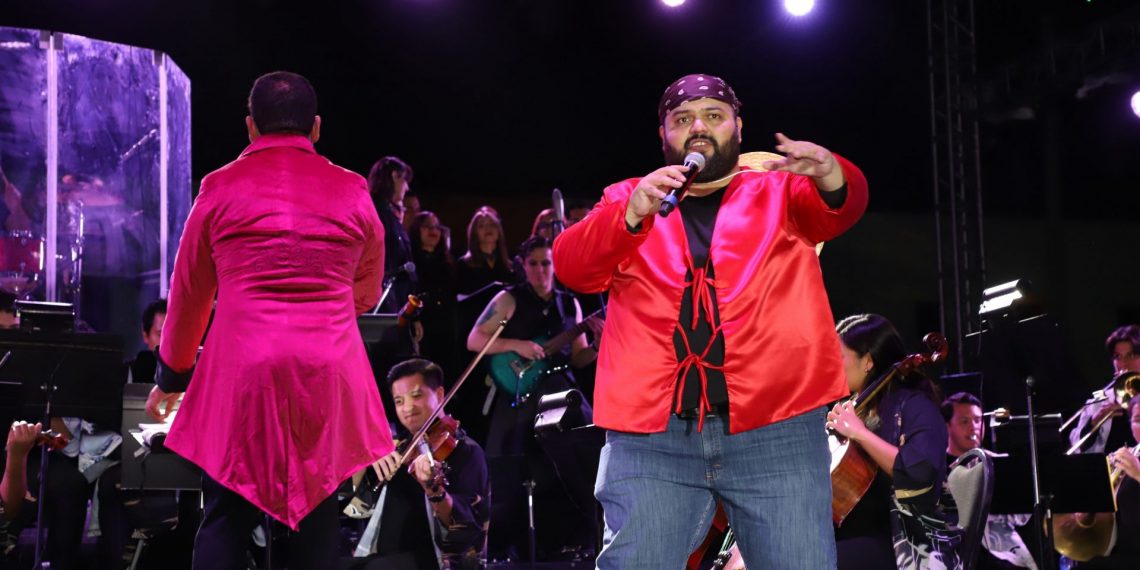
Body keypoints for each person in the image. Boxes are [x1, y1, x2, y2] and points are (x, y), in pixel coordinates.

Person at [552, 72, 868, 568]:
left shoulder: (780, 191)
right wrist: (629, 215)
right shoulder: (629, 197)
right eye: (682, 119)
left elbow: (840, 208)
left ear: (738, 127)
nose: (697, 127)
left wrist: (830, 174)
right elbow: (572, 267)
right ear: (663, 135)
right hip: (652, 439)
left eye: (713, 116)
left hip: (776, 429)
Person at [144, 71, 394, 569]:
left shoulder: (218, 187)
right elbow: (366, 293)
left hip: (242, 372)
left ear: (251, 127)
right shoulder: (353, 191)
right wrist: (322, 313)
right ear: (316, 127)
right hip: (326, 371)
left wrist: (171, 376)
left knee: (225, 513)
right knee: (319, 514)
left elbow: (190, 294)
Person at [468, 235, 602, 560]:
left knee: (584, 452)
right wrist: (517, 345)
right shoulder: (509, 299)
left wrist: (598, 345)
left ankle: (580, 540)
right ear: (523, 265)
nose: (541, 270)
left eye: (546, 263)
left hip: (560, 392)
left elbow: (579, 357)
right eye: (533, 263)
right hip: (519, 392)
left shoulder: (569, 304)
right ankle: (503, 549)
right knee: (508, 465)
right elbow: (475, 339)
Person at [828, 314, 960, 569]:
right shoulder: (858, 409)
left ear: (868, 361)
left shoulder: (915, 407)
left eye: (839, 356)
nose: (831, 364)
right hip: (855, 537)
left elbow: (920, 474)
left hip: (905, 542)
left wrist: (860, 434)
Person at [349, 358, 490, 569]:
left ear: (440, 395)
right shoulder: (398, 448)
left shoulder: (465, 451)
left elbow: (465, 534)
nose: (407, 408)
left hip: (434, 561)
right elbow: (358, 509)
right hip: (387, 559)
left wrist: (433, 489)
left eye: (416, 396)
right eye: (399, 401)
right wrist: (364, 459)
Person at [942, 392, 1037, 569]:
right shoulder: (936, 468)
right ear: (947, 426)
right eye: (965, 422)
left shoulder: (998, 462)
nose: (974, 427)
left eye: (978, 420)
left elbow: (1022, 517)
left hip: (1003, 557)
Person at [1068, 394, 1140, 569]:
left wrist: (1138, 473)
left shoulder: (1133, 463)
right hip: (1122, 549)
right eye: (1138, 420)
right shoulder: (1129, 455)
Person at [1069, 325, 1140, 454]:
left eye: (1131, 355)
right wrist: (1094, 422)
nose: (1124, 363)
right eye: (1118, 356)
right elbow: (1076, 449)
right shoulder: (1100, 400)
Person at [408, 211, 458, 376]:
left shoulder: (448, 262)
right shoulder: (411, 261)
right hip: (422, 326)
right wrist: (414, 318)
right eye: (427, 226)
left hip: (445, 327)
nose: (433, 230)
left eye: (437, 227)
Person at [368, 156, 417, 313]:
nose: (406, 188)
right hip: (382, 305)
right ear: (395, 175)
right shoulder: (378, 213)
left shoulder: (386, 215)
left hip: (390, 302)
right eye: (404, 180)